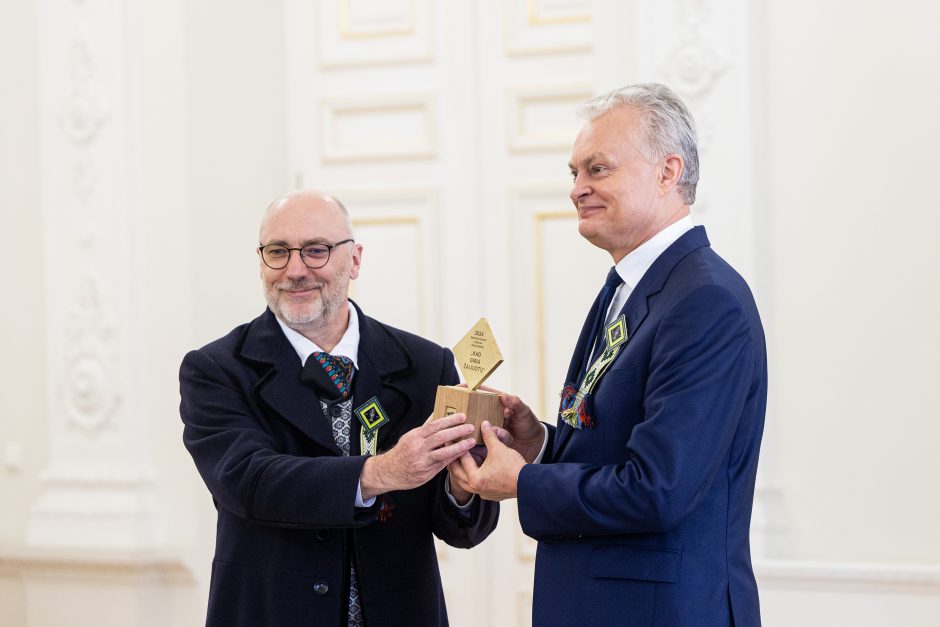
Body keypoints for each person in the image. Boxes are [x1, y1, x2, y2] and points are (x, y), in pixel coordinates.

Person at [450, 83, 767, 626]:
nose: (577, 189)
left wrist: (522, 483)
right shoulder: (627, 285)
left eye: (598, 170)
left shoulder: (705, 299)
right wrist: (543, 443)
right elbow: (615, 443)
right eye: (573, 172)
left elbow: (658, 490)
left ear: (668, 173)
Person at [179, 190, 499, 627]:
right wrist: (383, 472)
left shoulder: (425, 364)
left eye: (316, 251)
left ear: (355, 260)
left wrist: (464, 482)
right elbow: (248, 482)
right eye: (278, 252)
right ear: (261, 261)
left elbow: (462, 530)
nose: (295, 270)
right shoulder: (216, 368)